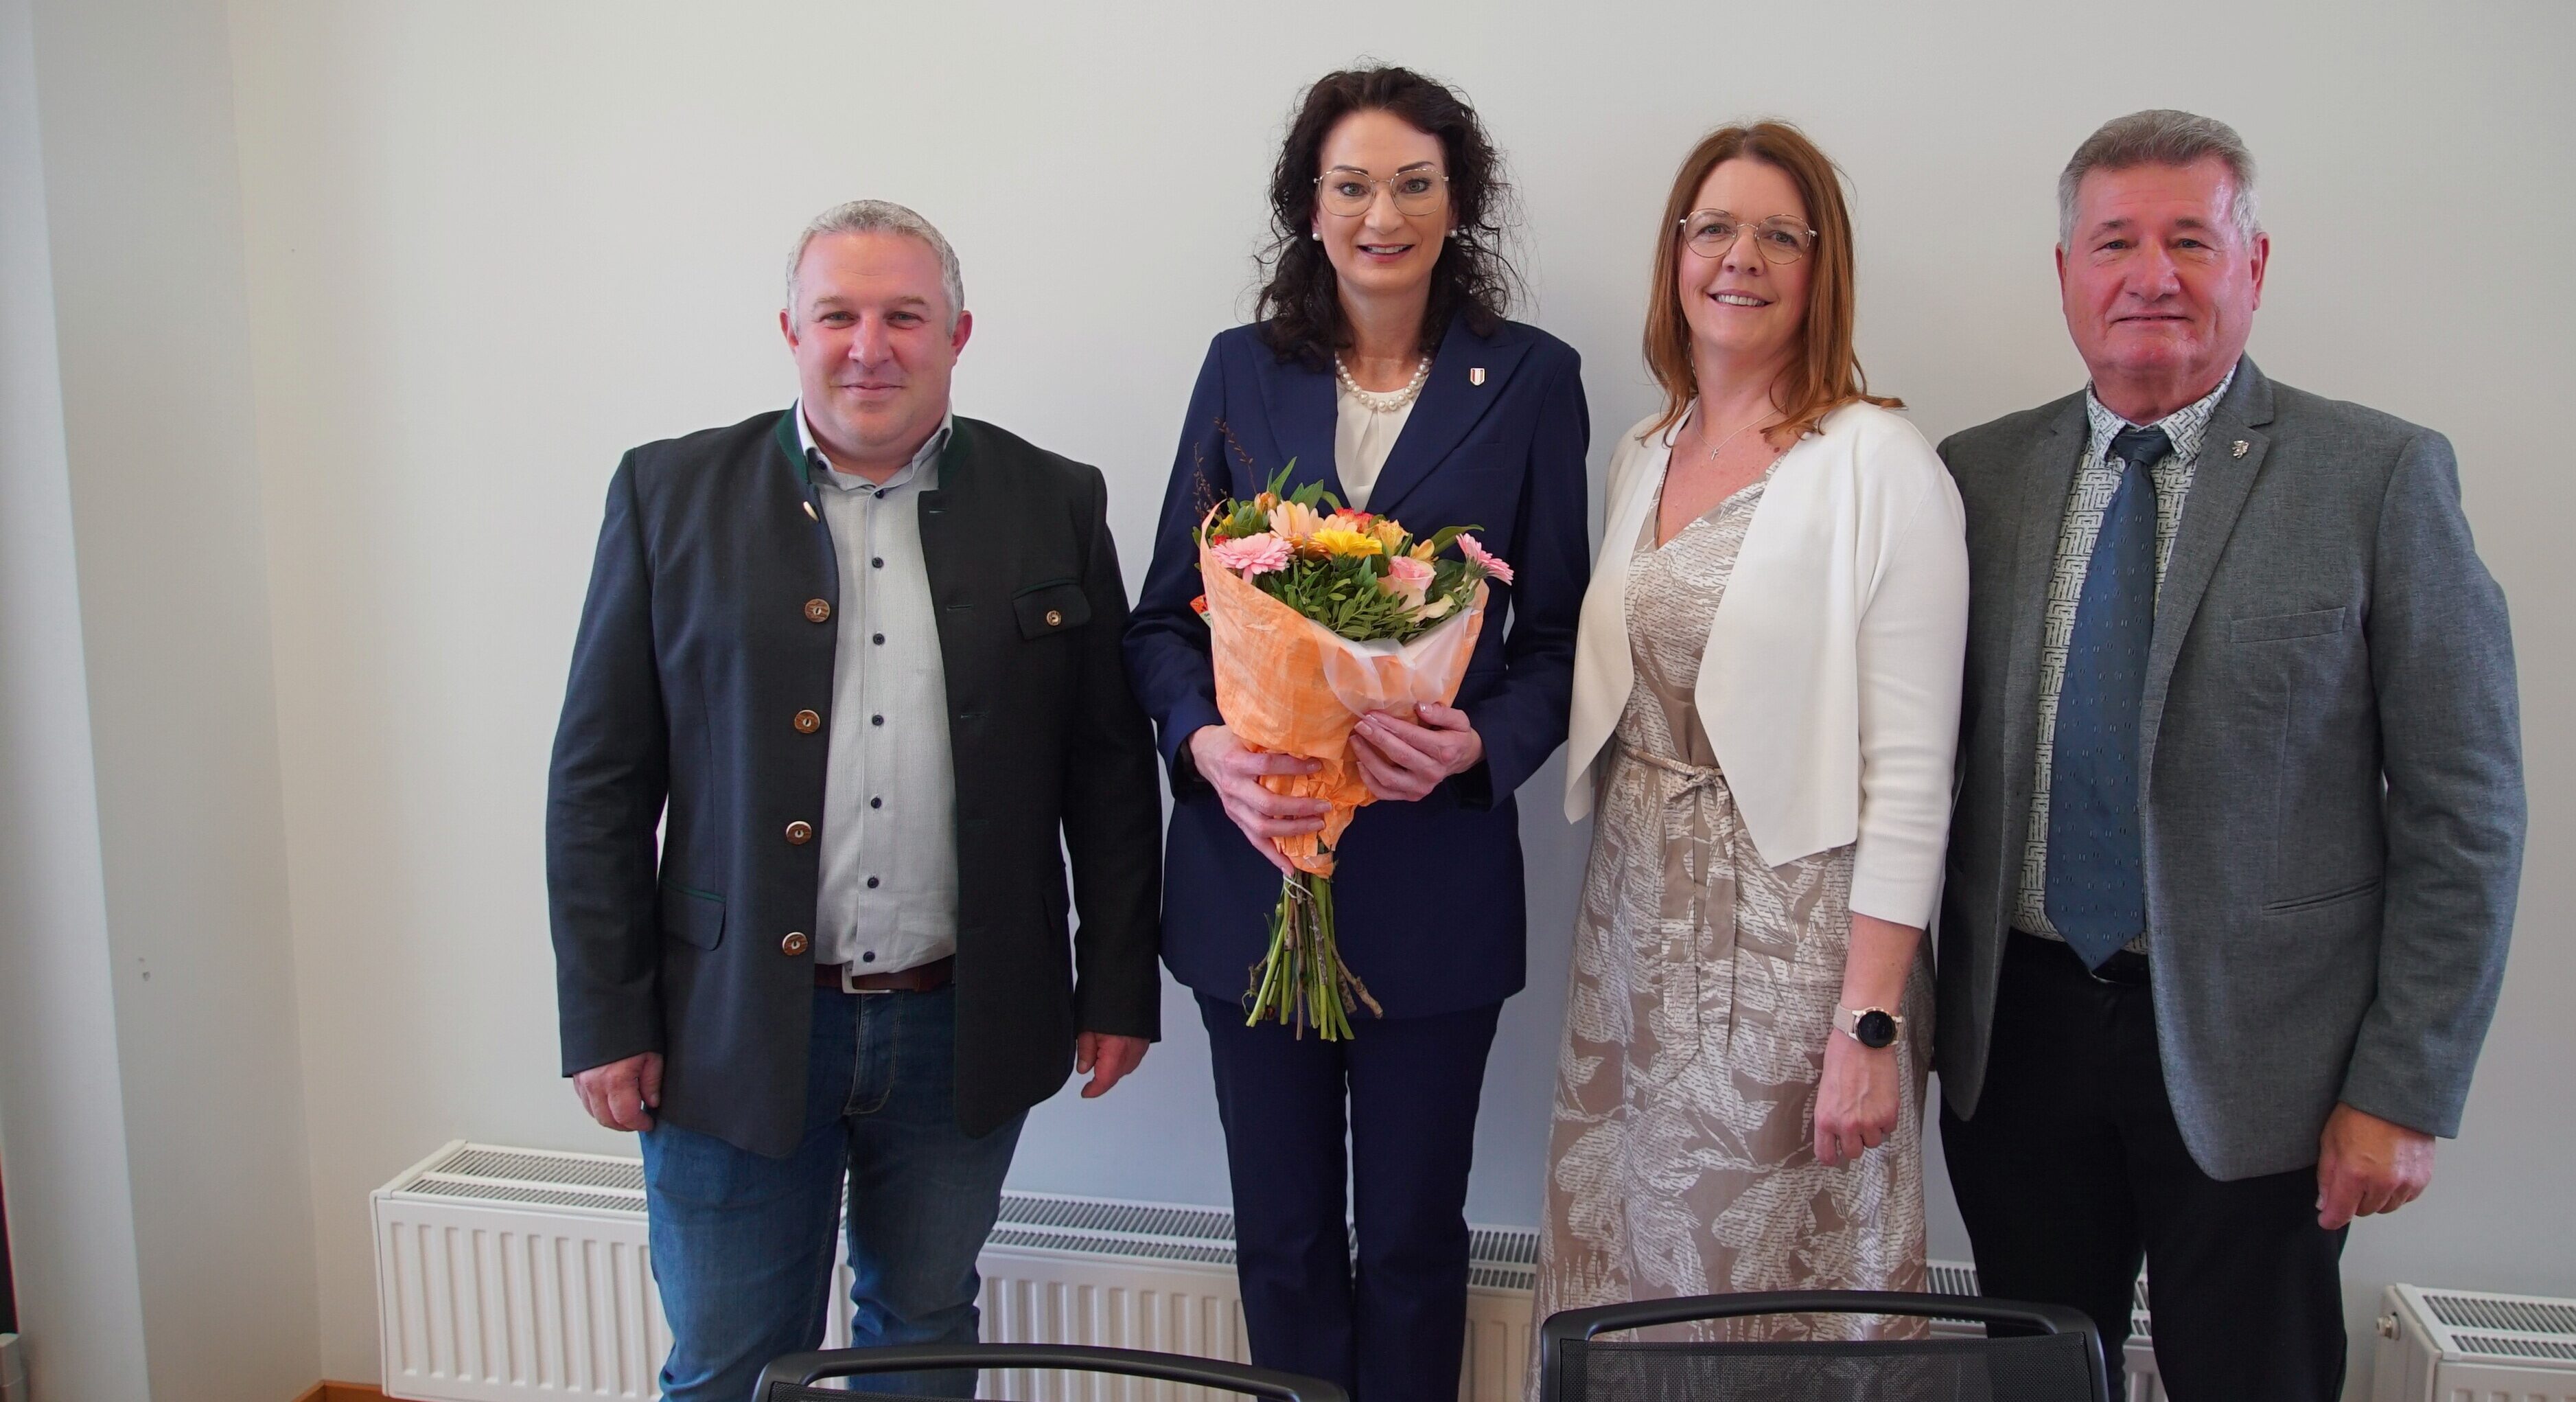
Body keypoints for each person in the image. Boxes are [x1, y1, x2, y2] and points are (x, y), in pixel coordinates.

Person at [1934, 110, 2526, 1401]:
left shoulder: (2377, 476)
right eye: (2116, 242)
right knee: (2035, 1383)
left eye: (2191, 240)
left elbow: (2465, 807)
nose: (2151, 274)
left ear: (2254, 265)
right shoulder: (1976, 478)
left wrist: (2405, 1084)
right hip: (2019, 1044)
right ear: (2067, 273)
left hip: (2272, 1066)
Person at [547, 200, 1163, 1401]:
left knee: (923, 1334)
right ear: (791, 330)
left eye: (904, 316)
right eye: (838, 314)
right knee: (731, 1360)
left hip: (962, 1022)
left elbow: (1107, 769)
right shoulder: (669, 495)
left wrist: (1116, 982)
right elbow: (598, 784)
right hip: (727, 1025)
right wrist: (604, 1011)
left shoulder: (1053, 499)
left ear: (958, 334)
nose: (869, 347)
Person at [1119, 65, 1589, 1402]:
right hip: (1251, 868)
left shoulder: (1533, 380)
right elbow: (1162, 622)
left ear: (1458, 201)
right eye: (1352, 186)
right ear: (1309, 207)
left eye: (1413, 184)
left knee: (1411, 1247)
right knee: (1279, 1244)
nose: (1383, 214)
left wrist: (1475, 748)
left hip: (1434, 883)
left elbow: (1560, 638)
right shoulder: (1241, 370)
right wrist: (1206, 747)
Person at [1531, 121, 1967, 1342]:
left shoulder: (1880, 462)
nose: (1743, 257)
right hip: (1632, 934)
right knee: (1627, 1274)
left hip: (1795, 956)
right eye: (1715, 228)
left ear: (1823, 270)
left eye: (1782, 235)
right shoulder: (1643, 449)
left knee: (1773, 1296)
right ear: (1675, 254)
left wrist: (1869, 1023)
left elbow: (1913, 775)